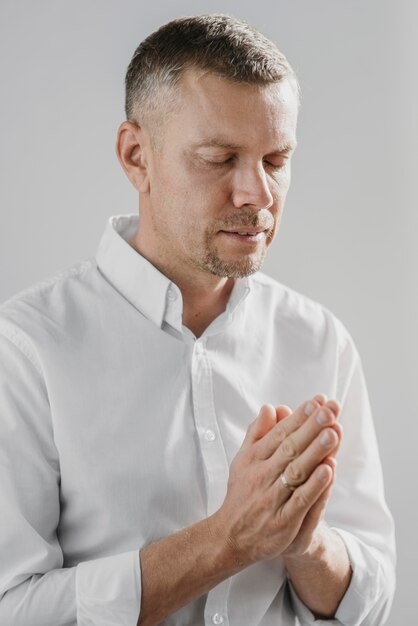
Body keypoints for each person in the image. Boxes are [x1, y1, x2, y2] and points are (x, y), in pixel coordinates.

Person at [0, 13, 395, 626]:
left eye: (276, 159)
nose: (257, 194)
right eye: (220, 158)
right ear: (137, 156)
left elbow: (371, 601)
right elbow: (12, 608)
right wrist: (230, 540)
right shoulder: (25, 349)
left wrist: (303, 543)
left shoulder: (320, 340)